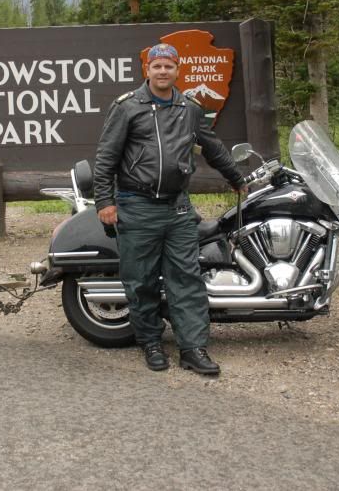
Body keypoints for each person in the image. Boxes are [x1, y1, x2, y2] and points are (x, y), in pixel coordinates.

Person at [93, 42, 245, 375]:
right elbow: (105, 158)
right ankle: (150, 342)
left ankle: (193, 348)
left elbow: (212, 147)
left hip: (178, 208)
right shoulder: (127, 107)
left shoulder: (190, 108)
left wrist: (236, 178)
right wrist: (104, 201)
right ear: (147, 70)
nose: (163, 71)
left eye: (168, 66)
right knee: (142, 281)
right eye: (157, 66)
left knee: (186, 279)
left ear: (178, 71)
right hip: (136, 205)